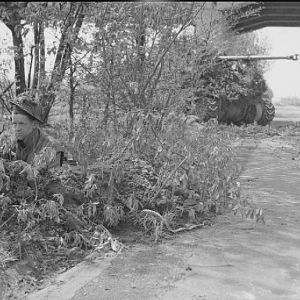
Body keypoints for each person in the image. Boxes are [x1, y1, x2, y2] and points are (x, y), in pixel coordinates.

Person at [7, 92, 64, 168]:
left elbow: (52, 178)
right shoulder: (10, 143)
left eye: (21, 124)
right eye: (14, 124)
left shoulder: (51, 148)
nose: (17, 129)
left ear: (35, 124)